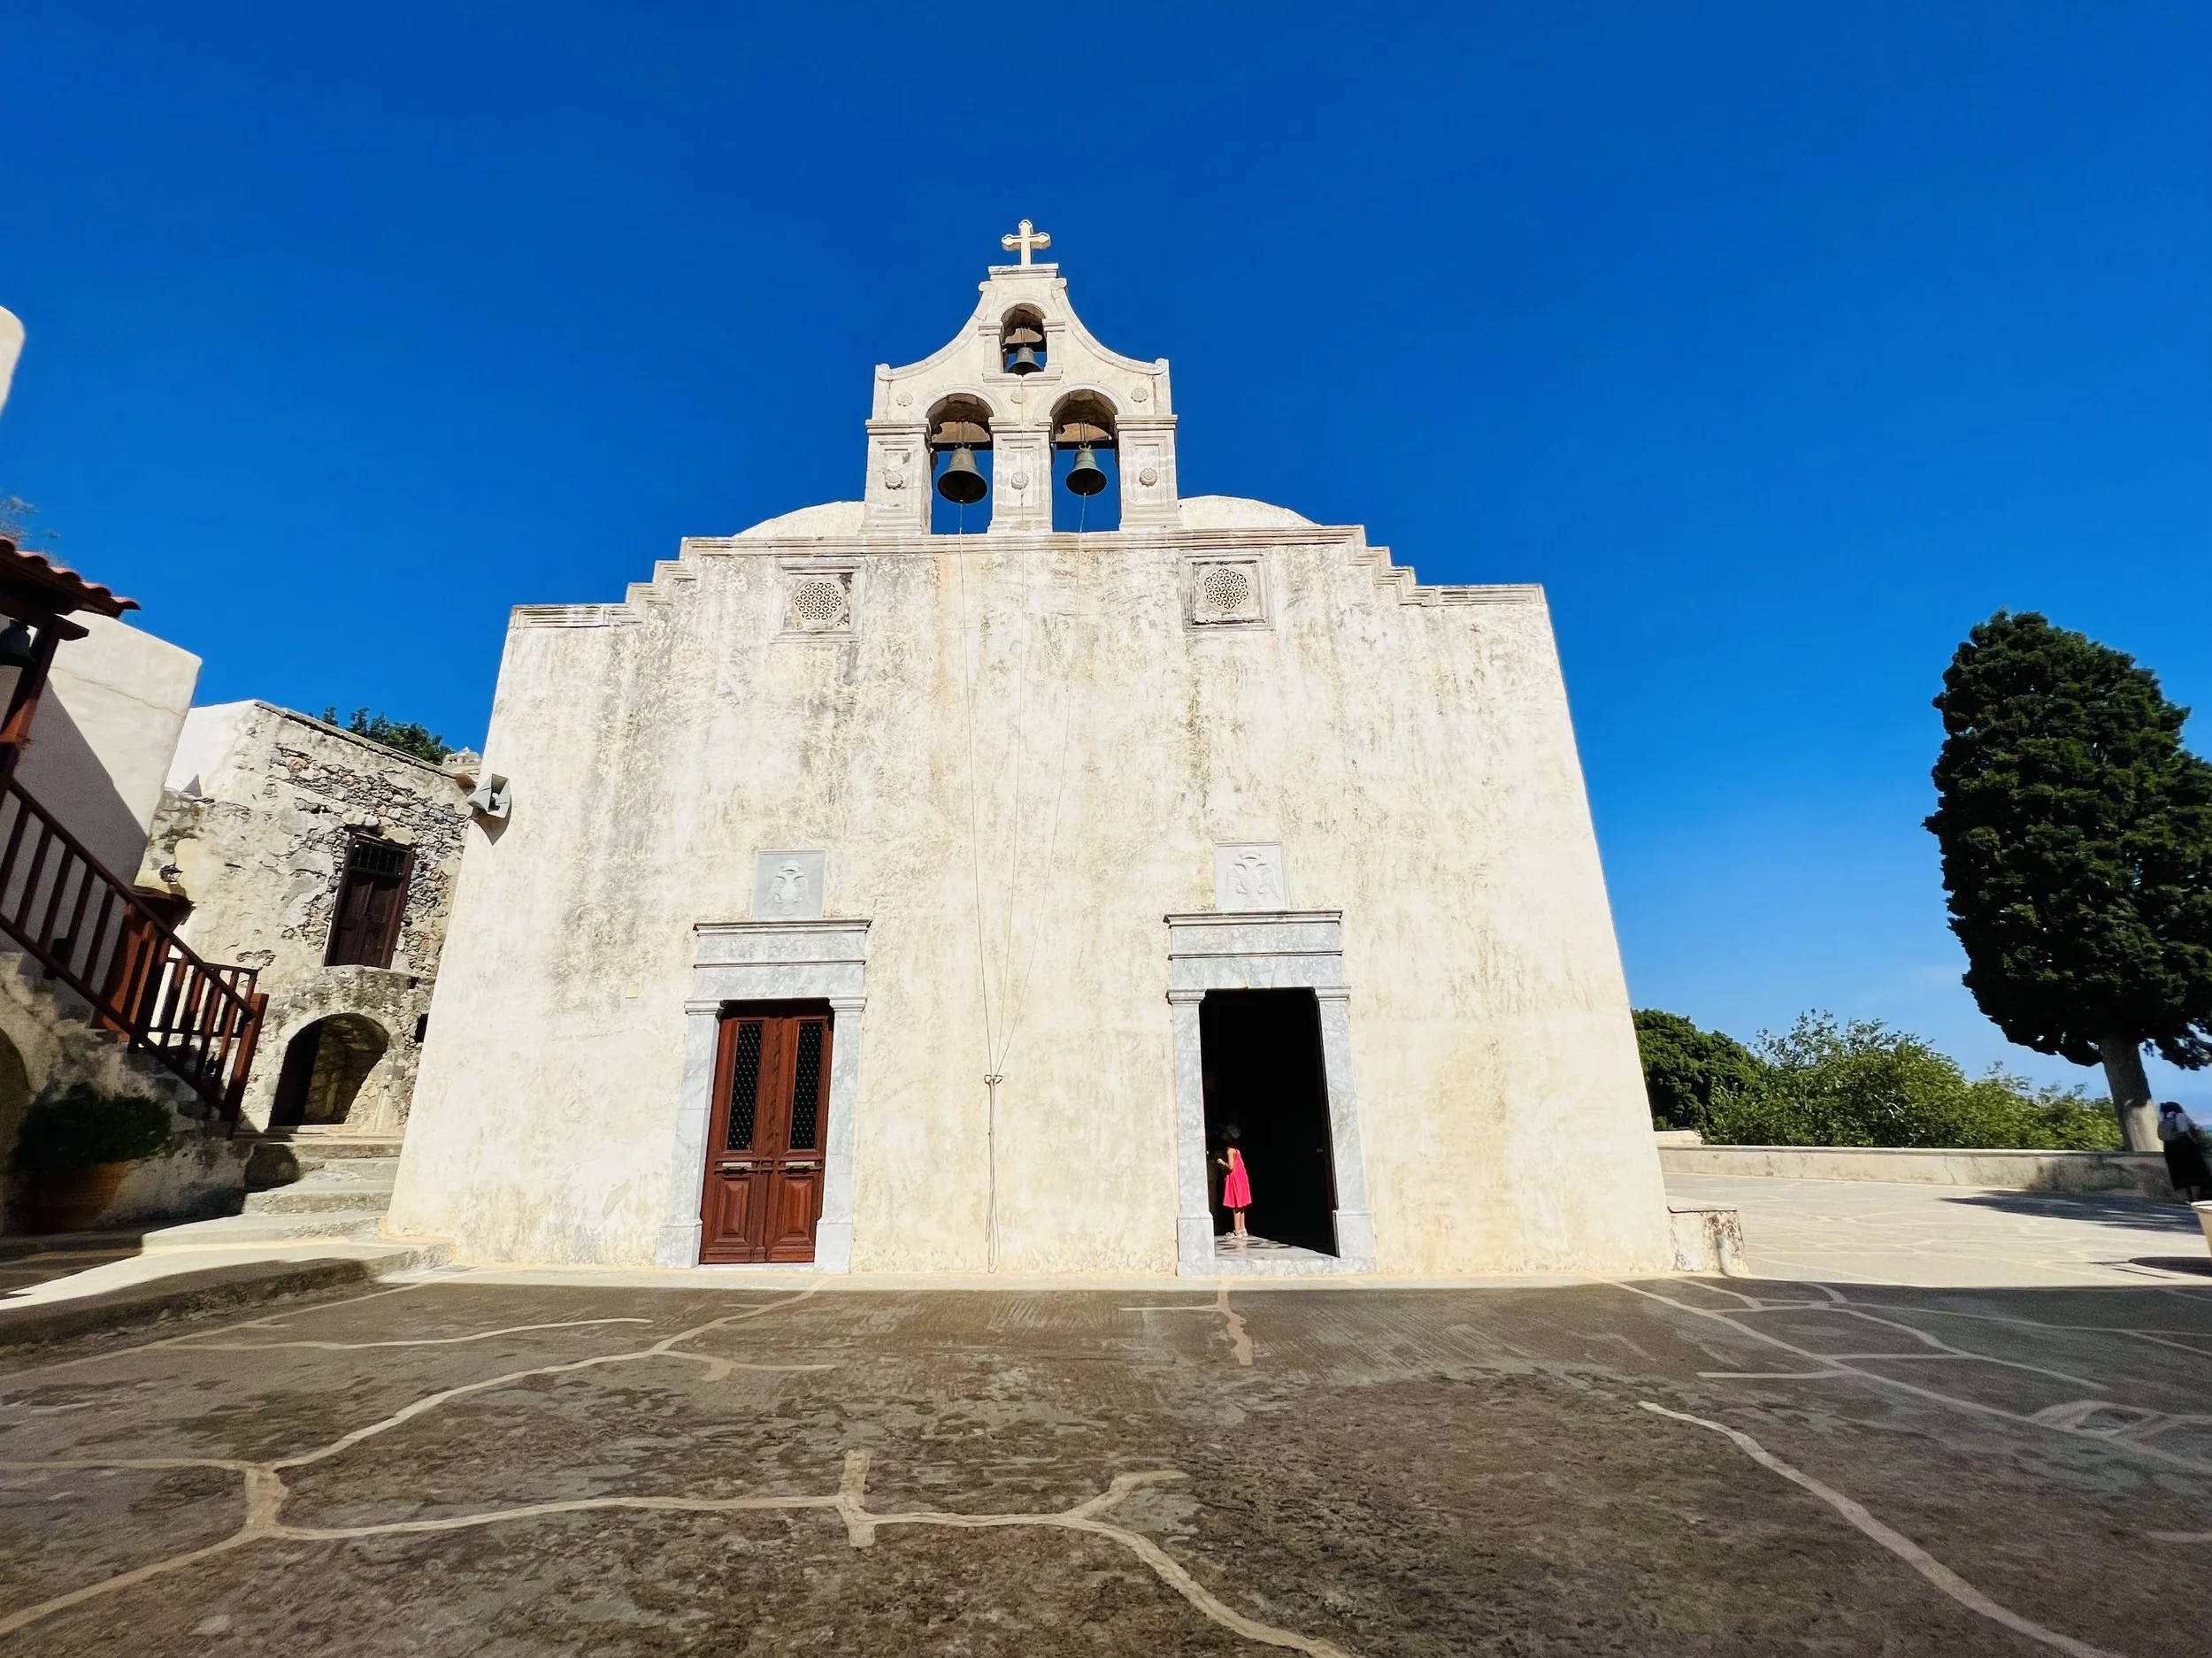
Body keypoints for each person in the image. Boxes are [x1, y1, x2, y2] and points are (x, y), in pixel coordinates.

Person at [2157, 1101, 2212, 1203]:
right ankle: (2195, 1197)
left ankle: (2185, 1198)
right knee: (2194, 1172)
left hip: (2170, 1147)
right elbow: (2185, 1128)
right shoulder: (2180, 1115)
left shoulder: (2163, 1118)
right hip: (2184, 1145)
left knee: (2177, 1173)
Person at [1215, 1125, 1254, 1242]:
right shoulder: (1237, 1149)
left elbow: (1231, 1167)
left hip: (1235, 1178)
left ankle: (1237, 1230)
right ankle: (1242, 1228)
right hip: (1241, 1177)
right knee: (1241, 1205)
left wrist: (1221, 1163)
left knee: (1236, 1204)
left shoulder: (1230, 1150)